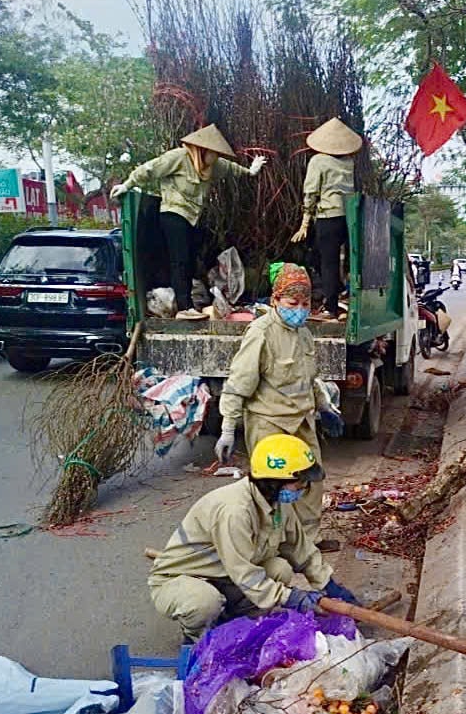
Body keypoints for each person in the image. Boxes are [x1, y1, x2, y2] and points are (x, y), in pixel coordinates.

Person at [149, 433, 358, 642]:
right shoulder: (235, 511)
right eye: (299, 481)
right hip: (185, 579)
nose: (303, 488)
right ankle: (196, 638)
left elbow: (299, 549)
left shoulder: (277, 504)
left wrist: (327, 584)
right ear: (275, 482)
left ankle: (234, 623)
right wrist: (291, 597)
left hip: (224, 576)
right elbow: (245, 573)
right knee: (204, 602)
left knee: (280, 568)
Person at [215, 263, 343, 549]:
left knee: (311, 482)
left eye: (305, 303)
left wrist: (324, 408)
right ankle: (269, 545)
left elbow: (309, 379)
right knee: (271, 487)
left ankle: (308, 542)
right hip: (269, 423)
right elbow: (239, 383)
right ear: (275, 301)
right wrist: (227, 429)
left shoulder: (304, 334)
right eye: (292, 303)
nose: (299, 309)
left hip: (301, 421)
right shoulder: (261, 333)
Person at [111, 124, 265, 320]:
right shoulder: (179, 157)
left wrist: (251, 171)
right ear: (202, 150)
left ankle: (187, 304)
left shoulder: (213, 165)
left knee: (190, 261)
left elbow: (231, 168)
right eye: (213, 153)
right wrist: (127, 184)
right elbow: (150, 169)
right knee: (180, 261)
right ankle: (184, 307)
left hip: (192, 218)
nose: (216, 157)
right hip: (173, 213)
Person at [291, 118, 363, 322]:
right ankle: (341, 293)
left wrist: (304, 223)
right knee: (332, 258)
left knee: (328, 262)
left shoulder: (318, 161)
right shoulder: (349, 161)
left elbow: (311, 192)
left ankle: (330, 308)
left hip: (328, 215)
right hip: (349, 216)